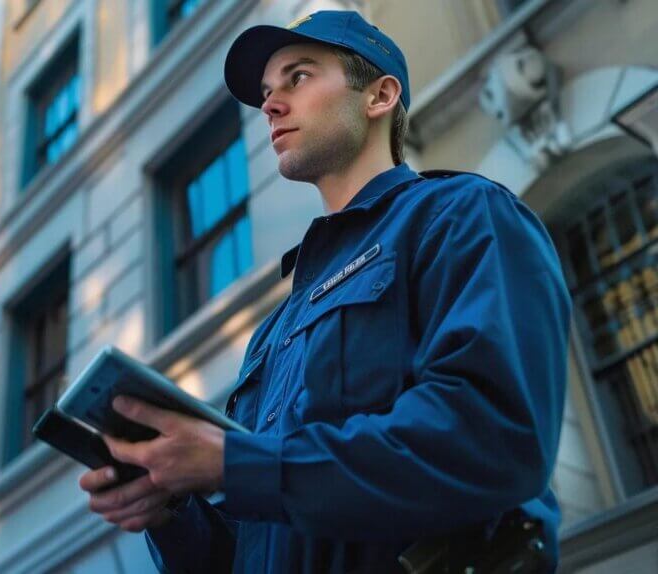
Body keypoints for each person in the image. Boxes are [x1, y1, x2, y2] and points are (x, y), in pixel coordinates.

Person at [78, 9, 571, 573]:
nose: (269, 104)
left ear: (380, 96)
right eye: (266, 91)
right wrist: (170, 506)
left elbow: (493, 436)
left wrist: (235, 464)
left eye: (299, 77)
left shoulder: (461, 216)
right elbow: (251, 552)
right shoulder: (273, 333)